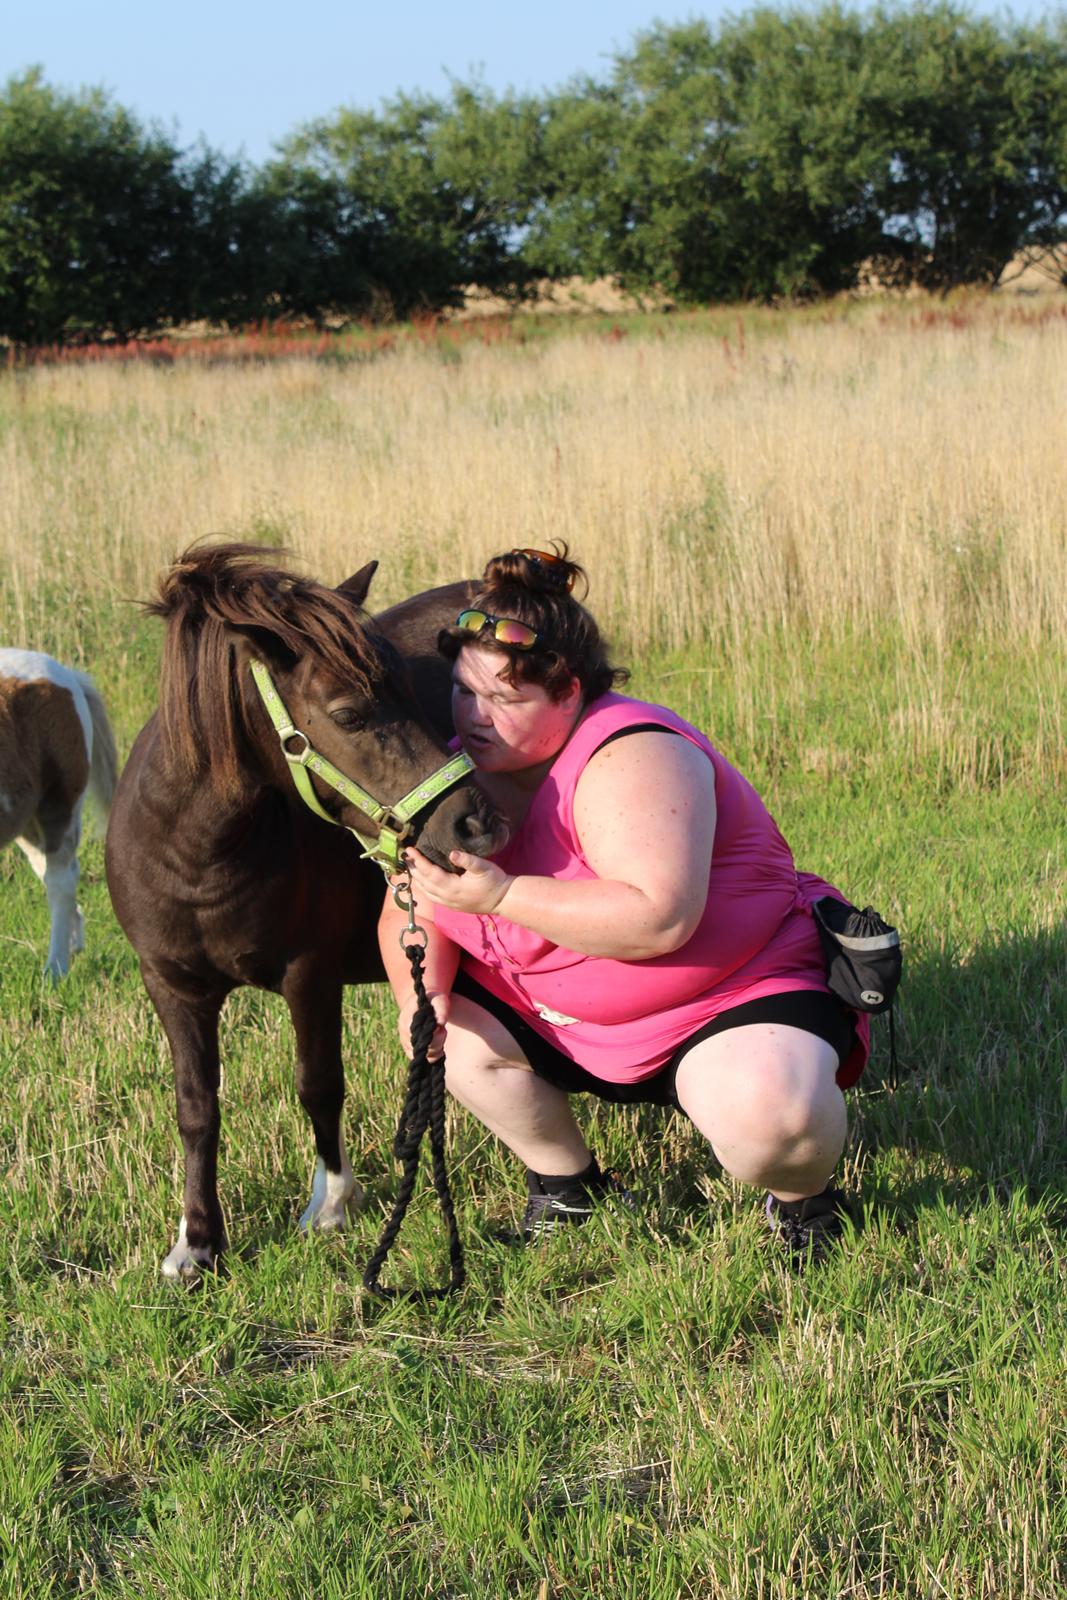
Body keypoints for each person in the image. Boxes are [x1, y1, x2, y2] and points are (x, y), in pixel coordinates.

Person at [377, 547, 869, 1263]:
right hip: (554, 1012)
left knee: (771, 1122)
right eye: (463, 691)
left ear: (570, 693)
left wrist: (504, 895)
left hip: (723, 995)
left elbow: (657, 919)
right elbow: (407, 907)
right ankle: (567, 1190)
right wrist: (415, 996)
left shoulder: (630, 753)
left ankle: (803, 1202)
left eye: (505, 700)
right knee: (455, 1033)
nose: (474, 717)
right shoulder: (452, 774)